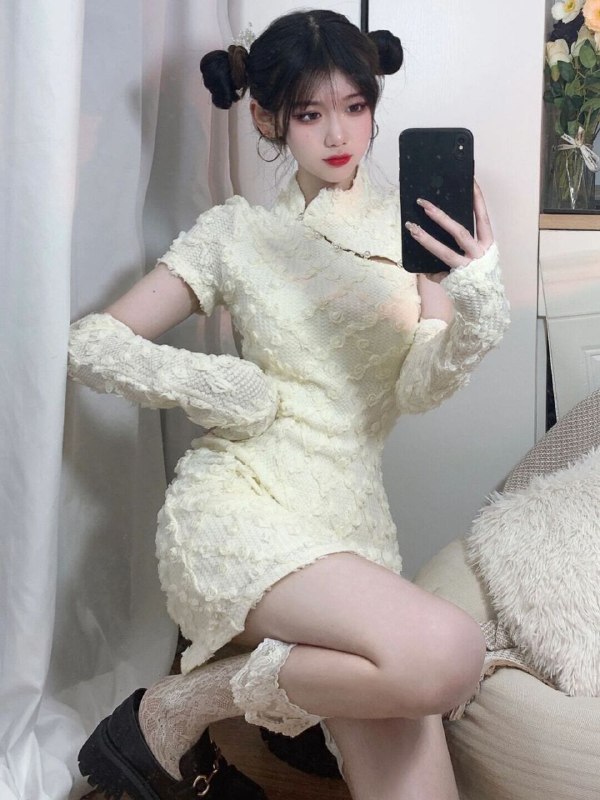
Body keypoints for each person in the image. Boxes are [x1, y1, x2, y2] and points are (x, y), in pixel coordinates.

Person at [68, 9, 509, 800]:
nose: (338, 134)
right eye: (310, 114)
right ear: (268, 119)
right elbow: (92, 342)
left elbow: (420, 386)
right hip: (242, 508)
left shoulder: (413, 231)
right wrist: (224, 387)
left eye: (355, 106)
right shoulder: (233, 233)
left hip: (350, 529)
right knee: (451, 654)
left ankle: (191, 704)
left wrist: (474, 296)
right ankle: (185, 708)